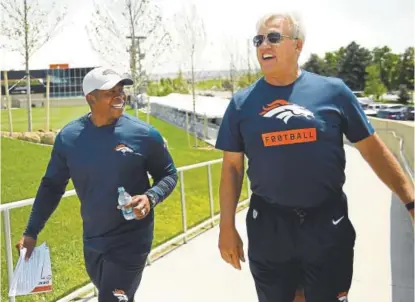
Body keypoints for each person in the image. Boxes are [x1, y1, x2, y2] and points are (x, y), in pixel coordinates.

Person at [215, 12, 414, 302]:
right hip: (269, 227)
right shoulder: (241, 104)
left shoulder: (333, 93)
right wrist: (226, 227)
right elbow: (232, 168)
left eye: (273, 37)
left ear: (298, 45)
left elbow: (373, 150)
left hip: (327, 225)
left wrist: (410, 200)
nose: (263, 46)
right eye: (258, 40)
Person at [16, 67, 178, 302]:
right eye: (110, 92)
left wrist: (151, 197)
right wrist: (31, 232)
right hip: (93, 239)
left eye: (121, 90)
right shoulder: (69, 138)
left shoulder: (144, 135)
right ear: (90, 98)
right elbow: (51, 186)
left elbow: (168, 174)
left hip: (132, 240)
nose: (119, 96)